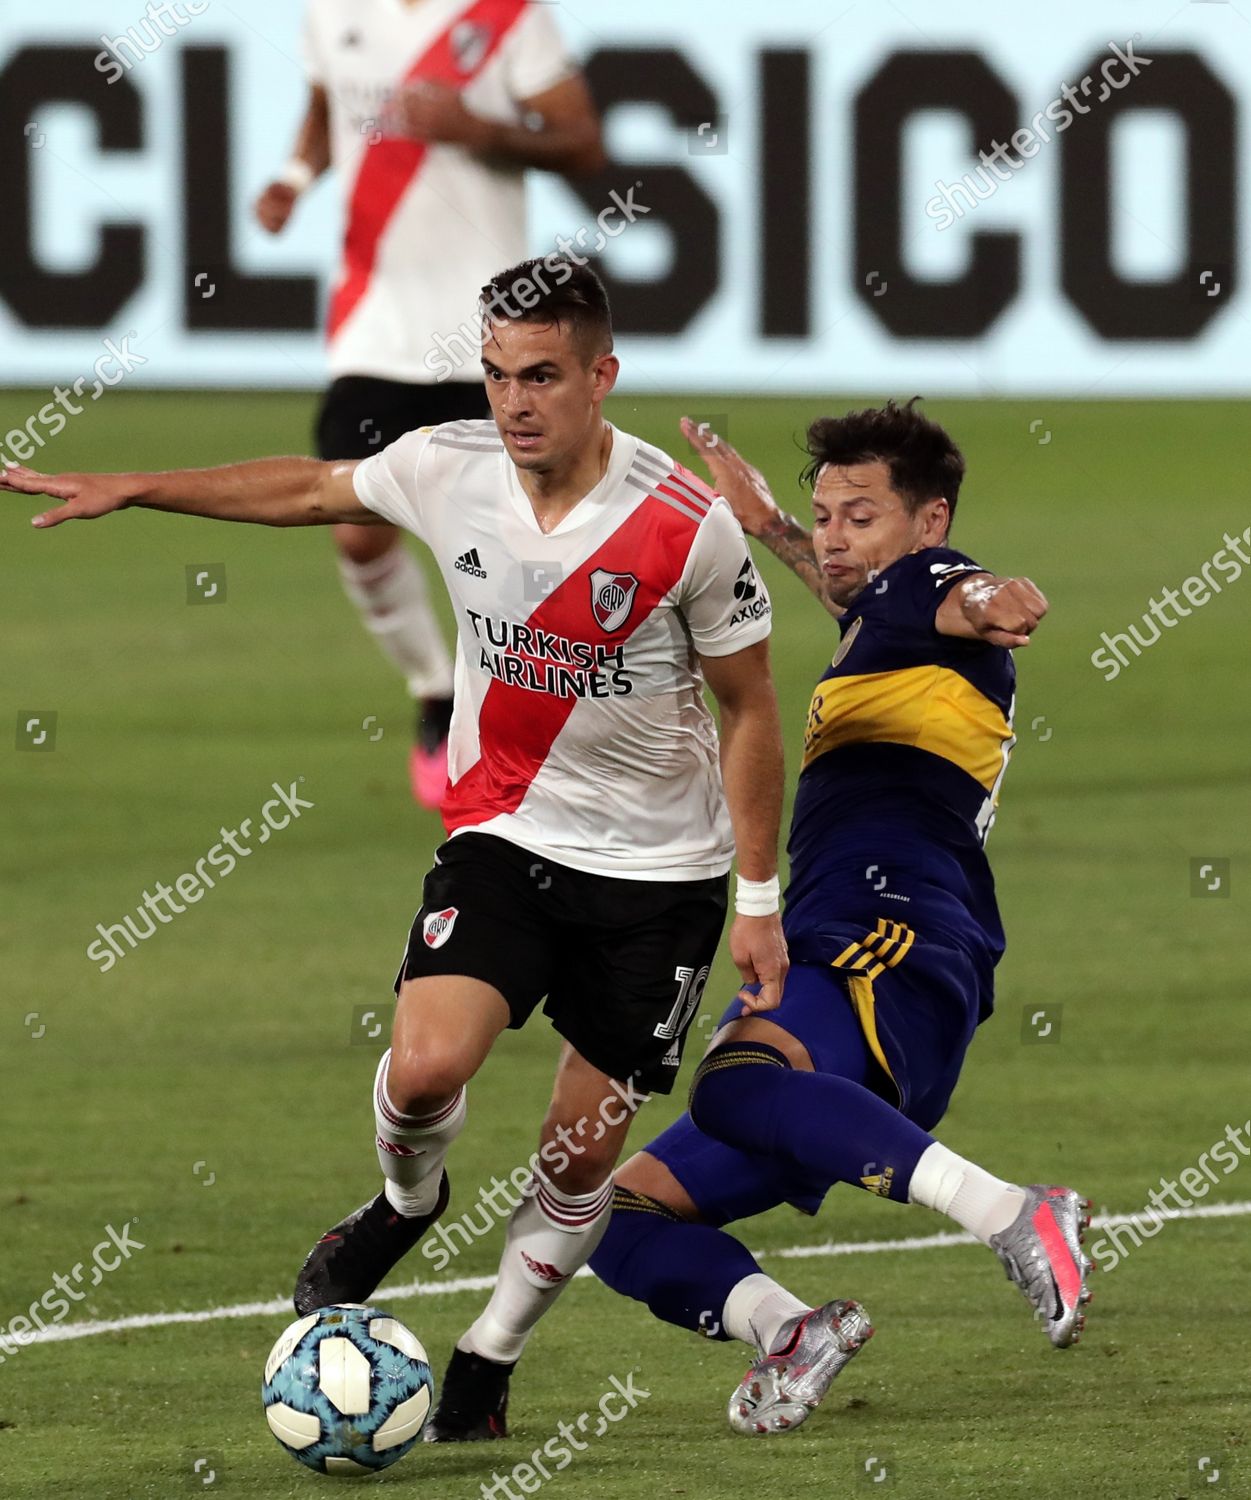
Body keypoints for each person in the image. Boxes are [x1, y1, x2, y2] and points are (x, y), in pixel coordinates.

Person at [3, 260, 789, 1442]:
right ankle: (404, 1203)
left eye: (540, 376)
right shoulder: (449, 464)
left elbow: (752, 712)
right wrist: (139, 485)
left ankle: (489, 1355)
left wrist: (759, 897)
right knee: (424, 1071)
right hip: (504, 836)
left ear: (599, 377)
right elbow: (312, 490)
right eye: (494, 373)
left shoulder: (686, 526)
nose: (513, 400)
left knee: (578, 1162)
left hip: (659, 880)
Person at [589, 402, 1092, 1435]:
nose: (834, 537)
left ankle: (1012, 1213)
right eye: (824, 515)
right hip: (858, 933)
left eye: (860, 516)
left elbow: (970, 594)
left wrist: (1002, 596)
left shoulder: (931, 585)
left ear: (931, 520)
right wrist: (770, 526)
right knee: (620, 1216)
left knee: (735, 1084)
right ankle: (788, 1328)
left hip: (890, 920)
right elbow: (868, 599)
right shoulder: (885, 615)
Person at [254, 0, 605, 806]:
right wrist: (292, 178)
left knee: (521, 544)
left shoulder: (506, 15)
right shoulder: (332, 11)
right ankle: (432, 691)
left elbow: (583, 142)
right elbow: (324, 105)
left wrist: (479, 129)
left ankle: (537, 719)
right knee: (356, 531)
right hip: (373, 327)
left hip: (493, 336)